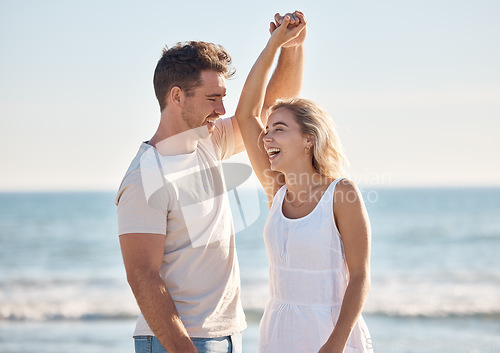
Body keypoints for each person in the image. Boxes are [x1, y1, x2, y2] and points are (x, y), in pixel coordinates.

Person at [115, 13, 306, 353]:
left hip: (228, 335)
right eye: (212, 98)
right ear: (176, 97)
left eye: (223, 97)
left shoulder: (208, 142)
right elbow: (142, 276)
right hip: (181, 342)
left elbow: (264, 111)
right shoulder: (145, 175)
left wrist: (291, 48)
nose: (222, 109)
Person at [235, 12, 374, 353]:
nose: (266, 138)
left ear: (309, 139)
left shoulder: (341, 193)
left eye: (278, 129)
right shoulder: (276, 190)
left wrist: (336, 343)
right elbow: (245, 114)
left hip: (330, 333)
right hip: (279, 330)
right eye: (267, 131)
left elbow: (359, 276)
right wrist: (280, 46)